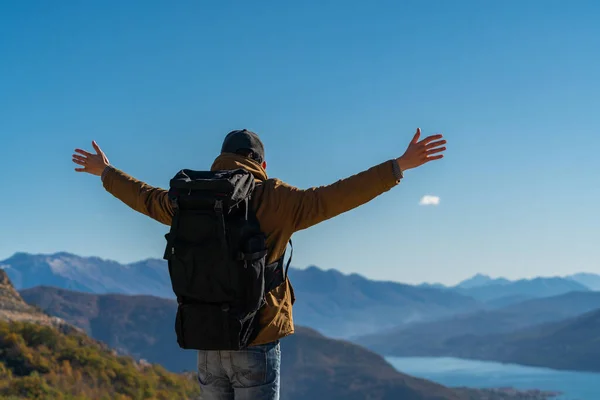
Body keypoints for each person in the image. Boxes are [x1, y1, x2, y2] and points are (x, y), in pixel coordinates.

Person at [71, 127, 446, 400]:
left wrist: (105, 172)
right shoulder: (276, 199)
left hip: (206, 339)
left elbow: (145, 197)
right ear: (262, 163)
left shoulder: (189, 199)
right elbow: (337, 196)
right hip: (257, 338)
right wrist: (398, 166)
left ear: (220, 158)